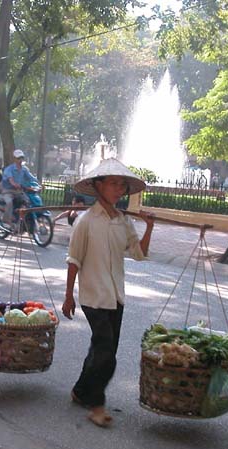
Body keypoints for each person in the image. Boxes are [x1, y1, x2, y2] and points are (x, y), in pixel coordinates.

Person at [62, 158, 154, 428]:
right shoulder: (85, 221)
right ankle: (96, 404)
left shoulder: (123, 222)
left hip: (116, 296)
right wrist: (69, 296)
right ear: (98, 185)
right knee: (107, 354)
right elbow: (73, 260)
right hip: (93, 296)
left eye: (122, 184)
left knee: (102, 348)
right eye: (113, 183)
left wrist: (149, 227)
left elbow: (139, 254)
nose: (118, 188)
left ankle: (80, 390)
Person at [1, 149, 38, 226]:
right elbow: (11, 180)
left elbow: (31, 177)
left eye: (21, 158)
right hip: (8, 191)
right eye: (18, 158)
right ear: (14, 159)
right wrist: (15, 184)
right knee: (9, 202)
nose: (20, 160)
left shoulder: (24, 169)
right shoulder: (9, 169)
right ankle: (6, 220)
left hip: (19, 191)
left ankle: (21, 220)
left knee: (28, 202)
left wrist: (39, 183)